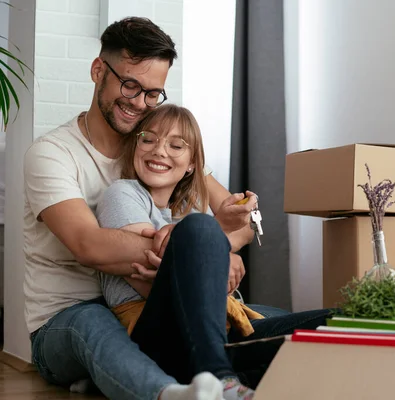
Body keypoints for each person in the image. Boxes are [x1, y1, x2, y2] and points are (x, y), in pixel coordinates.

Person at [23, 17, 333, 400]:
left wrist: (217, 246)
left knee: (284, 318)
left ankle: (196, 376)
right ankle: (180, 390)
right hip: (68, 316)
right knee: (94, 321)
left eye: (153, 94)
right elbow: (89, 245)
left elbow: (242, 218)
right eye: (130, 84)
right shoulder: (53, 154)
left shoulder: (157, 150)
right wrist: (201, 251)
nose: (139, 103)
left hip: (159, 310)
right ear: (98, 70)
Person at [96, 103, 267, 399]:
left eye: (176, 145)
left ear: (192, 165)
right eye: (148, 139)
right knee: (201, 227)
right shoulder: (121, 194)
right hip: (158, 337)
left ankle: (234, 378)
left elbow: (187, 274)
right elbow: (151, 283)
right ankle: (221, 380)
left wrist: (210, 254)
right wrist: (214, 252)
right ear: (135, 147)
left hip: (212, 333)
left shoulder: (181, 217)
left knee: (330, 324)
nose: (159, 151)